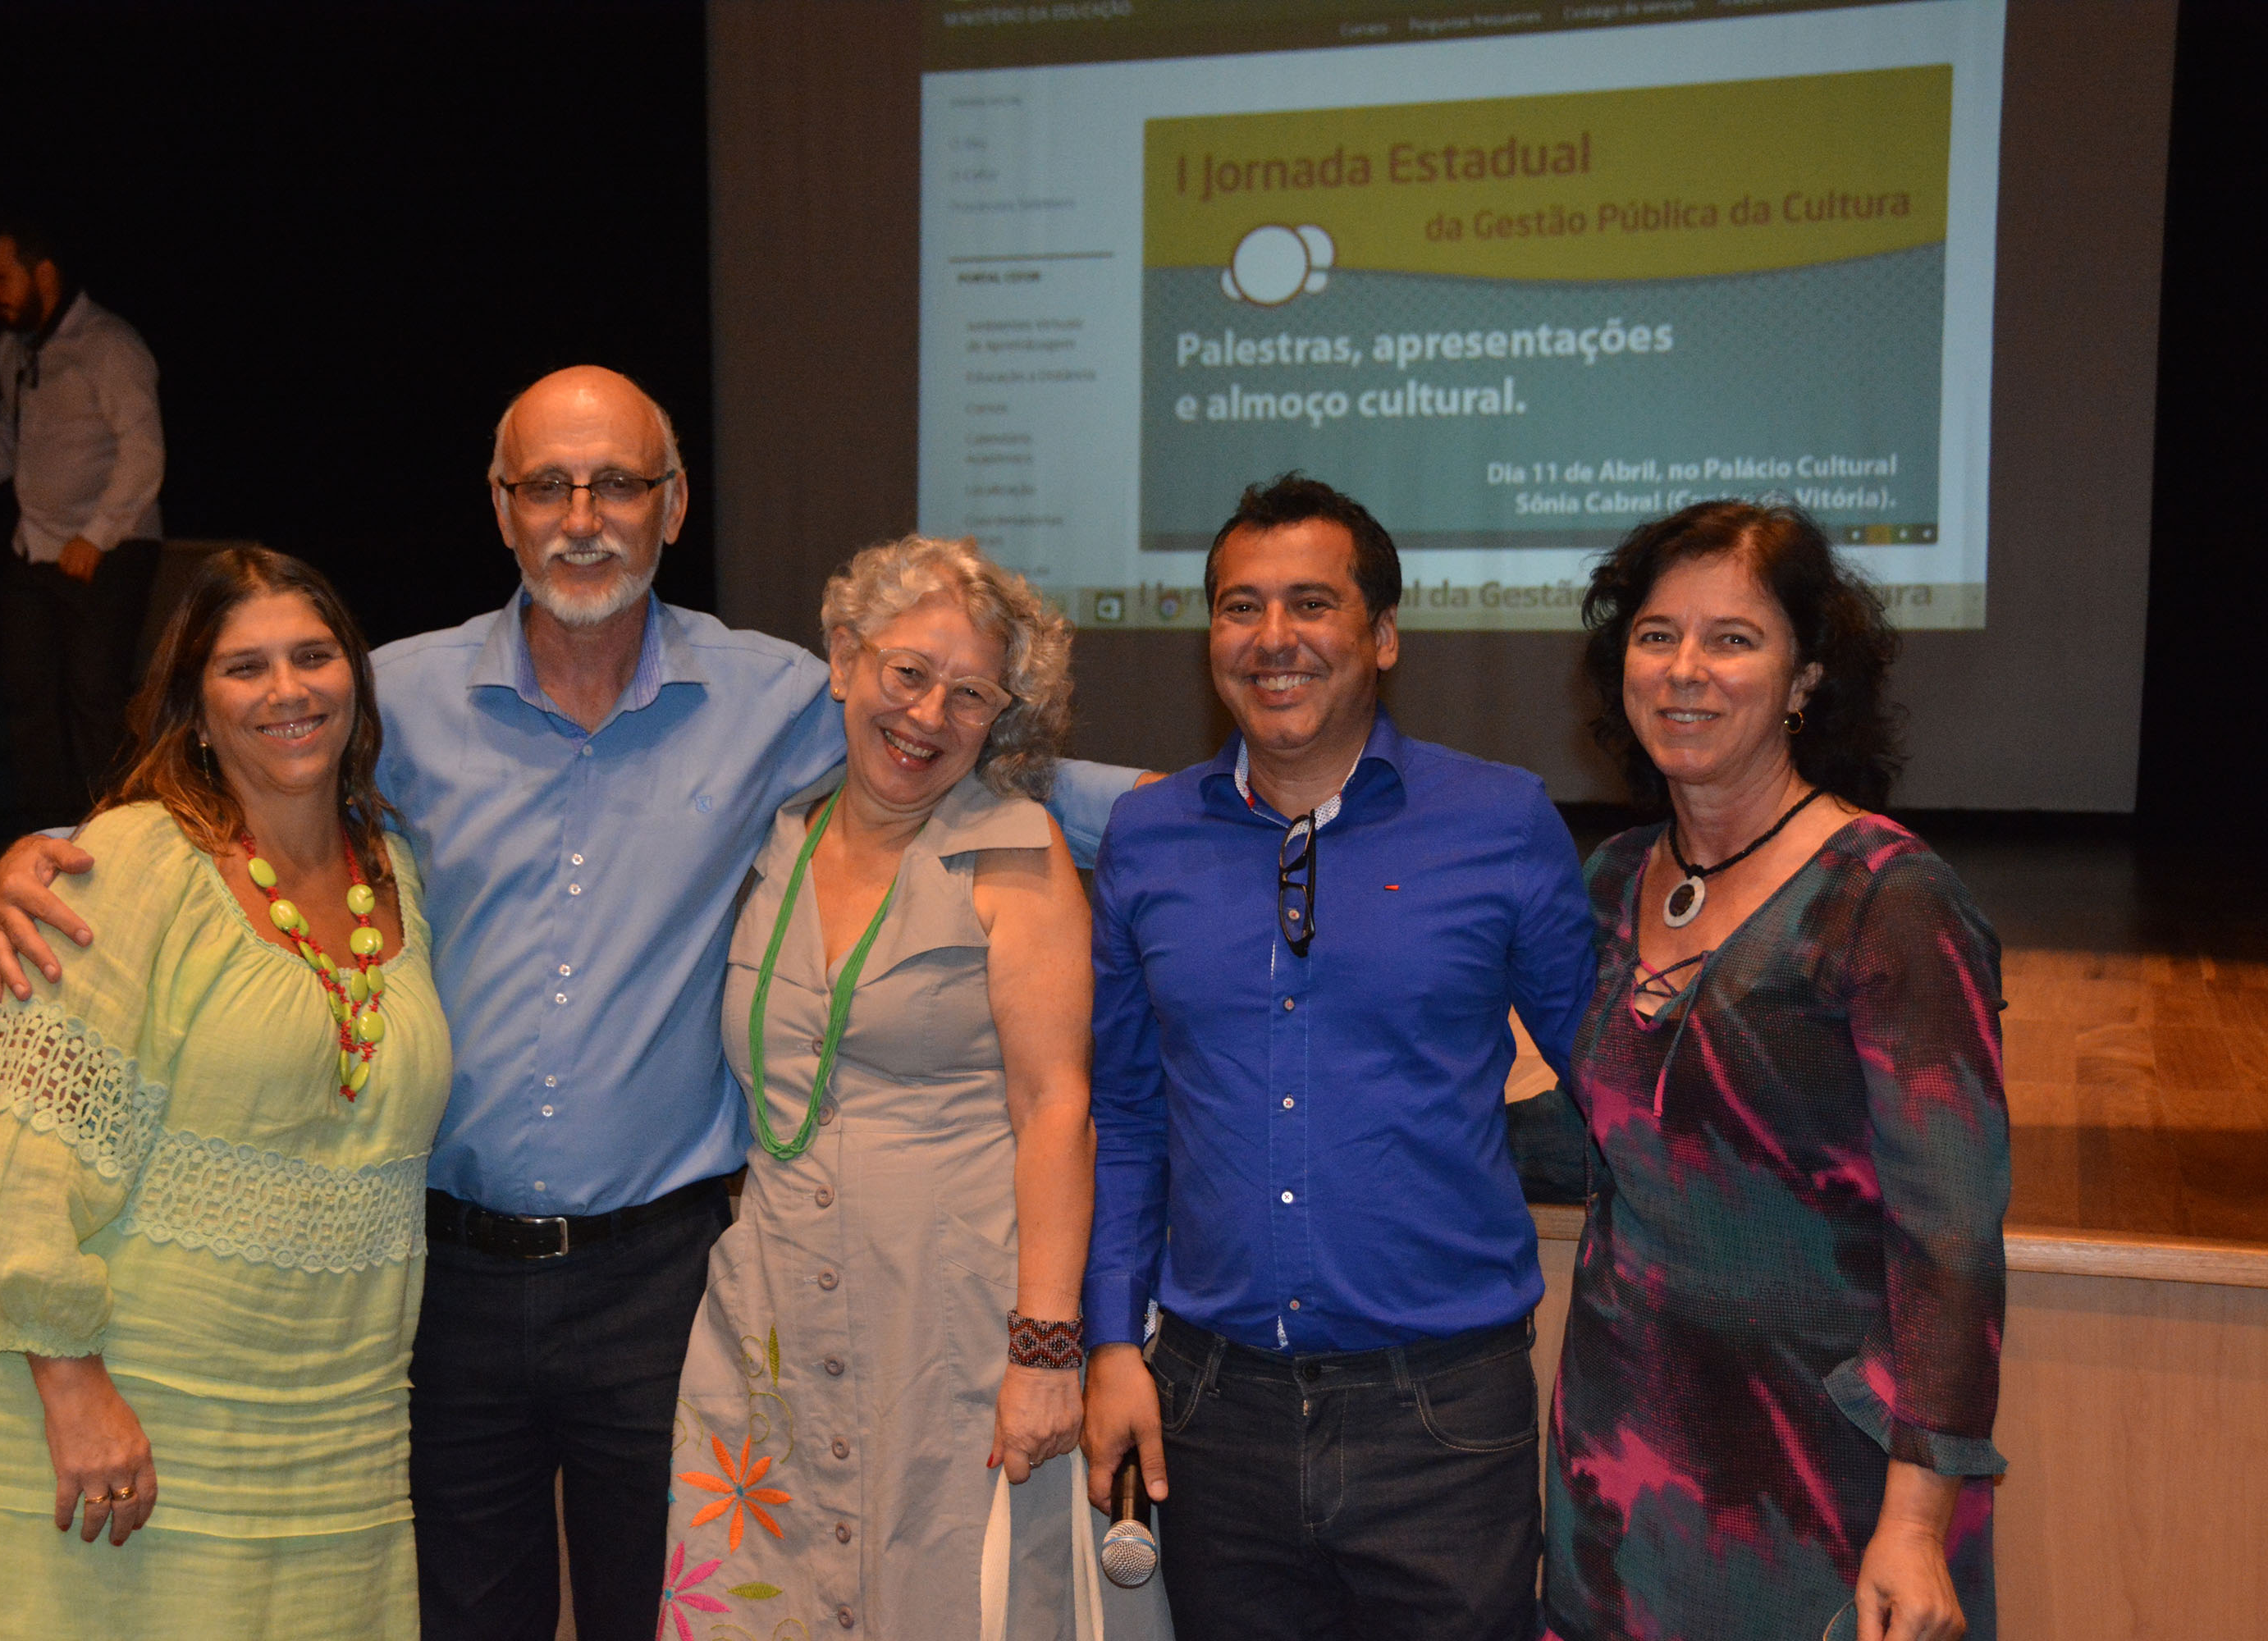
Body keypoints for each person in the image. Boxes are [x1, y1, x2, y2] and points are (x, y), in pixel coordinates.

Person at [0, 366, 1142, 1640]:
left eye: (618, 486)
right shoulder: (393, 697)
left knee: (670, 1612)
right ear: (503, 509)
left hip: (663, 1287)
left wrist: (1216, 805)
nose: (582, 518)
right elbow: (243, 786)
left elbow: (983, 757)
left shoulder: (776, 697)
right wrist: (53, 848)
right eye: (548, 486)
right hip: (445, 1279)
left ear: (673, 505)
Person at [0, 548, 453, 1639]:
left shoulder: (394, 869)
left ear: (356, 682)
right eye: (244, 667)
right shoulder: (133, 862)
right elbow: (26, 1148)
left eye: (313, 656)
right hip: (104, 1415)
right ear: (194, 706)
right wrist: (74, 1384)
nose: (286, 690)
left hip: (317, 1435)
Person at [1079, 473, 1598, 1639]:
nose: (1274, 638)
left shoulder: (1503, 822)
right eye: (1240, 606)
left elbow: (1609, 1086)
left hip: (1442, 1416)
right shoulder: (1148, 837)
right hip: (1210, 1415)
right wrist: (1111, 1339)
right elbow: (1131, 1115)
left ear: (1384, 634)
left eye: (1311, 603)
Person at [1507, 501, 2009, 1641]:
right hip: (1619, 1471)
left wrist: (1915, 1521)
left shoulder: (1886, 898)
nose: (1685, 668)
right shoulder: (1611, 879)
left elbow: (1951, 1245)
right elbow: (1610, 1139)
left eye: (1733, 638)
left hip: (1824, 1487)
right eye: (1656, 634)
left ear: (1805, 678)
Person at [664, 535, 1101, 1639]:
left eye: (971, 694)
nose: (928, 715)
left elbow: (1057, 1109)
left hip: (954, 1329)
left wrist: (1047, 1349)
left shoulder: (1017, 852)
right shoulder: (771, 844)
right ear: (846, 657)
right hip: (770, 1320)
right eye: (908, 672)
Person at [0, 220, 166, 832]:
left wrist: (97, 535)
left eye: (0, 277)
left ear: (44, 273)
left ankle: (114, 840)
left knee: (96, 698)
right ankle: (44, 837)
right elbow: (10, 435)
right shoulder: (16, 348)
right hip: (35, 546)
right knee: (28, 697)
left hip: (109, 550)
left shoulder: (109, 344)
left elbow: (144, 452)